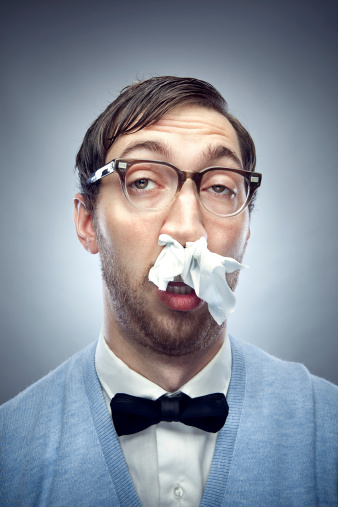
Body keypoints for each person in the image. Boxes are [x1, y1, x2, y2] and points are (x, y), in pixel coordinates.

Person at [0, 76, 337, 507]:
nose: (187, 229)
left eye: (219, 187)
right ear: (88, 224)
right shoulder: (10, 452)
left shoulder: (327, 426)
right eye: (142, 181)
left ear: (247, 229)